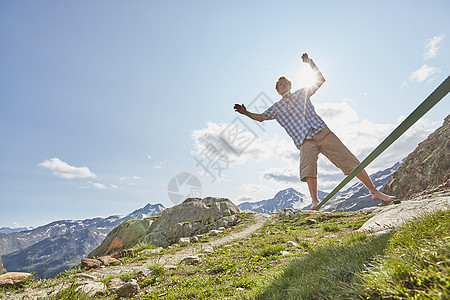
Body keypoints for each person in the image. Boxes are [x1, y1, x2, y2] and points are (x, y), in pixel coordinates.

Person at [234, 53, 396, 210]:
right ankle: (314, 201)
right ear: (277, 91)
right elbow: (261, 117)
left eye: (286, 83)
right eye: (280, 85)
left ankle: (374, 192)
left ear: (291, 85)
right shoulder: (276, 107)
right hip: (305, 141)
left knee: (349, 160)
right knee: (308, 168)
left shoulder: (302, 93)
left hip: (322, 132)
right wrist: (246, 112)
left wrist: (309, 62)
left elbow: (320, 80)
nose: (283, 86)